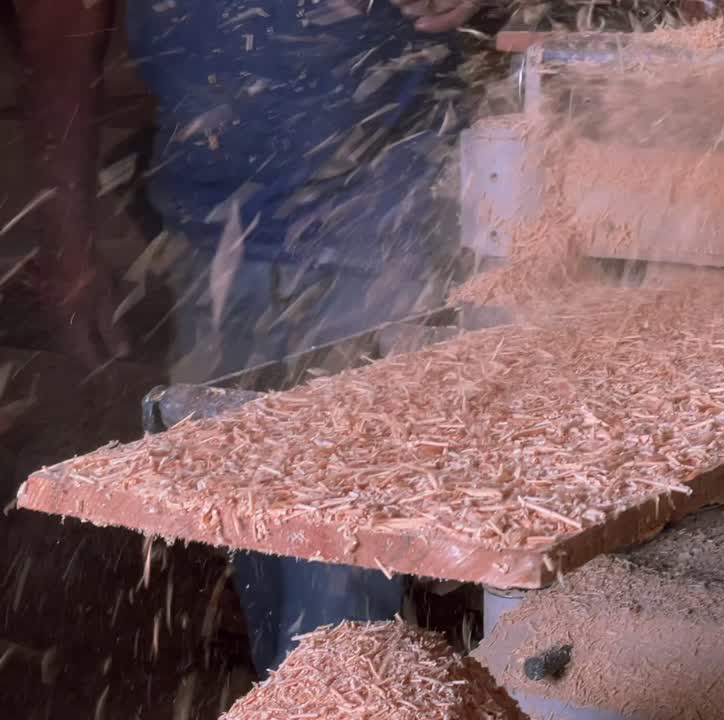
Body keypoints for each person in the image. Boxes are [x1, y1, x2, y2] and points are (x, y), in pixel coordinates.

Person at [17, 0, 478, 674]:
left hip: (387, 216)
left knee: (339, 559)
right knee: (255, 535)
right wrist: (67, 251)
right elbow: (58, 49)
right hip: (216, 238)